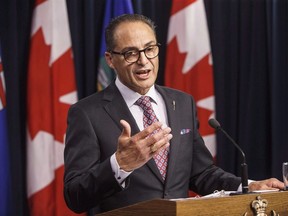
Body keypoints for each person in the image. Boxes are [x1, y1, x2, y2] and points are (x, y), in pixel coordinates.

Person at [63, 14, 284, 214]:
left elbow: (201, 173)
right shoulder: (87, 113)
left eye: (150, 49)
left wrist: (247, 187)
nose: (143, 60)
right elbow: (75, 196)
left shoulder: (182, 102)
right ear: (111, 59)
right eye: (131, 53)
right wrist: (120, 164)